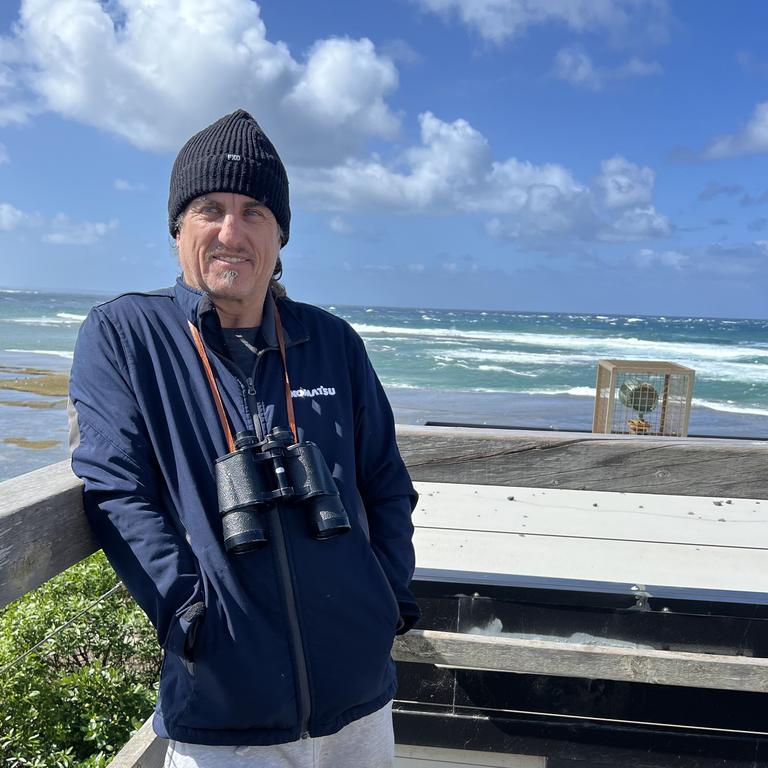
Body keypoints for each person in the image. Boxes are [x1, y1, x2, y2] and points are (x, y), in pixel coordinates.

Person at [68, 109, 419, 767]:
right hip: (225, 715)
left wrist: (387, 601)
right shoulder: (126, 336)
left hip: (360, 703)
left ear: (281, 235)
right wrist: (188, 615)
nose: (233, 231)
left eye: (255, 211)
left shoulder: (331, 342)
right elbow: (117, 490)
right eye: (210, 209)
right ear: (178, 228)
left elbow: (385, 482)